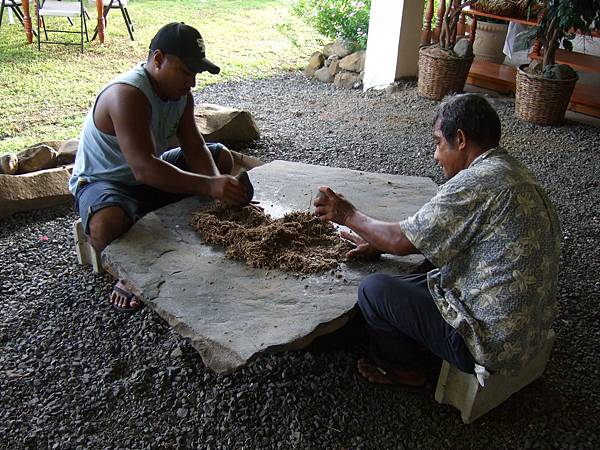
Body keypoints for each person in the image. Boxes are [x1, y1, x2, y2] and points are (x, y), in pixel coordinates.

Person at [314, 93, 561, 386]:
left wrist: (347, 213)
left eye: (437, 143)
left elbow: (400, 241)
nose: (435, 155)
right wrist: (376, 241)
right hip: (529, 333)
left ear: (460, 139)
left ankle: (403, 370)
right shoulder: (512, 172)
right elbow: (432, 239)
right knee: (423, 270)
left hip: (490, 343)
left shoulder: (474, 183)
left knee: (374, 289)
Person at [69, 22, 248, 312]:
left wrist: (218, 189)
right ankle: (128, 272)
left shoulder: (181, 96)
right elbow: (144, 169)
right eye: (186, 72)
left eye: (195, 74)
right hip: (107, 182)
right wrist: (208, 186)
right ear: (157, 59)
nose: (192, 82)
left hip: (150, 176)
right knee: (106, 223)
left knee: (220, 158)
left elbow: (194, 146)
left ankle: (159, 222)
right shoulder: (127, 95)